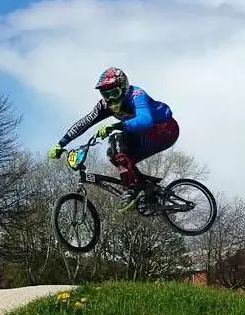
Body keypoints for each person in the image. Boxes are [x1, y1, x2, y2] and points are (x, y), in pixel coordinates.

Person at [48, 67, 180, 211]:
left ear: (123, 89)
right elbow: (84, 123)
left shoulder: (136, 94)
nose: (111, 99)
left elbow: (145, 120)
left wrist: (116, 125)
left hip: (165, 131)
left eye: (114, 93)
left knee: (117, 140)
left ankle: (129, 189)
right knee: (114, 154)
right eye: (106, 94)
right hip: (144, 135)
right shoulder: (104, 105)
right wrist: (61, 143)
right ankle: (146, 186)